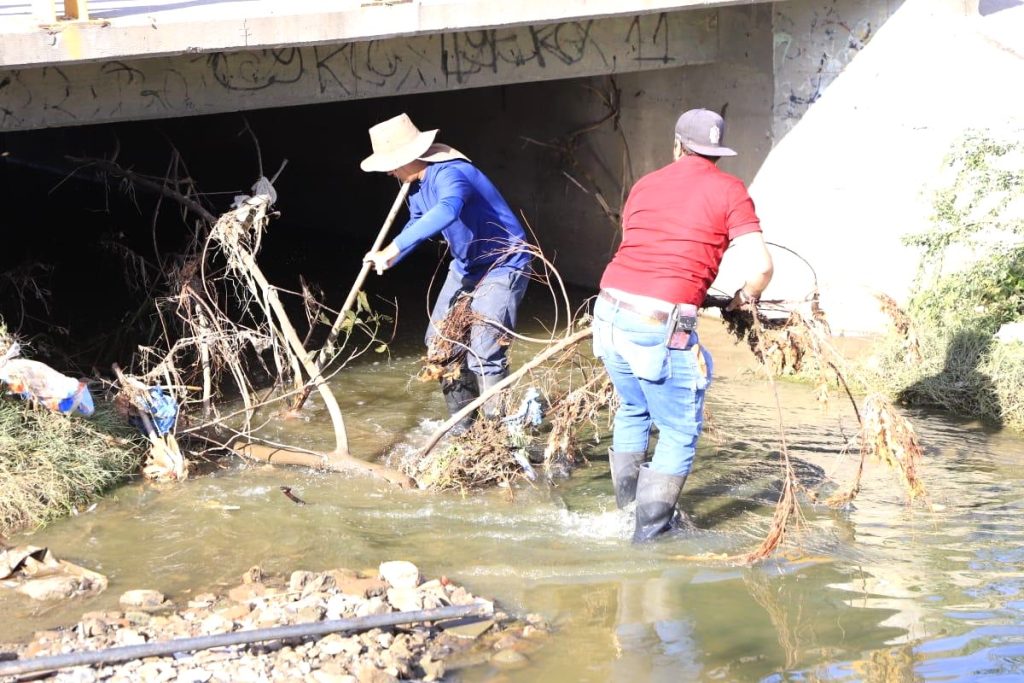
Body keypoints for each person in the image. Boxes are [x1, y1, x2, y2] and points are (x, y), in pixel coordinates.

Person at [593, 108, 774, 542]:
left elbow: (641, 244)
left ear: (677, 146)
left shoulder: (645, 184)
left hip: (608, 312)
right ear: (717, 153)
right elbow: (762, 267)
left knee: (633, 408)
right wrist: (745, 299)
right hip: (659, 324)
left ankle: (627, 514)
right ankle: (649, 538)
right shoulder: (730, 191)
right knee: (677, 429)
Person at [361, 113, 531, 430]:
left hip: (502, 264)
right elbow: (418, 223)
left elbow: (447, 209)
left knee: (485, 349)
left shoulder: (452, 172)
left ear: (409, 156)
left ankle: (498, 435)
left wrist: (393, 247)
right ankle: (462, 428)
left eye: (392, 164)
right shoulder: (415, 186)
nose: (389, 172)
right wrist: (390, 258)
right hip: (466, 267)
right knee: (440, 344)